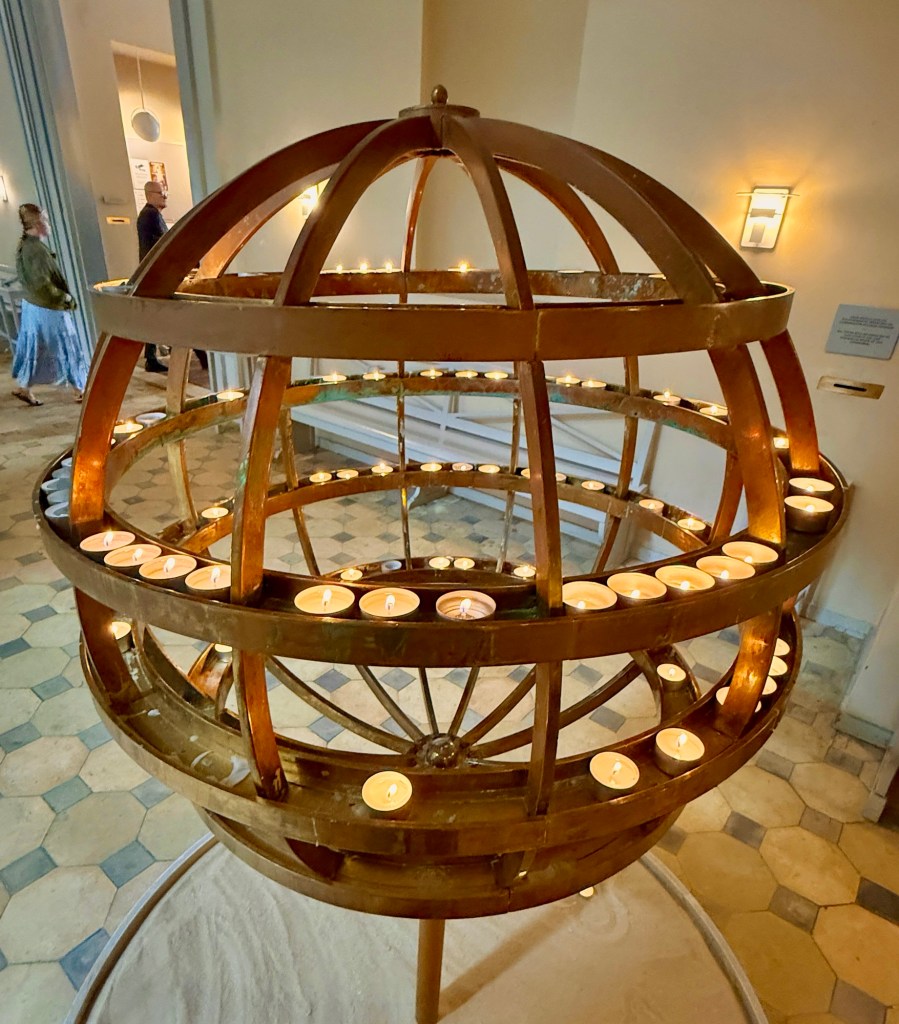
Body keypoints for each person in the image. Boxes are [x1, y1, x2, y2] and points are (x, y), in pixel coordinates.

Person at [11, 203, 89, 407]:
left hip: (33, 305)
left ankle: (24, 386)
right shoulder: (36, 249)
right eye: (45, 220)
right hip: (48, 307)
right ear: (37, 223)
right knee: (67, 345)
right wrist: (65, 298)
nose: (48, 223)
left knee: (35, 347)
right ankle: (80, 389)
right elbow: (43, 284)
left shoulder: (26, 245)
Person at [137, 180, 169, 372]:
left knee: (155, 316)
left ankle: (151, 356)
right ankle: (151, 357)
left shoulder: (149, 215)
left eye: (164, 193)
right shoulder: (151, 215)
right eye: (160, 193)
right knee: (161, 315)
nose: (164, 196)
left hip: (152, 272)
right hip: (155, 273)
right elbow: (164, 243)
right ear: (149, 195)